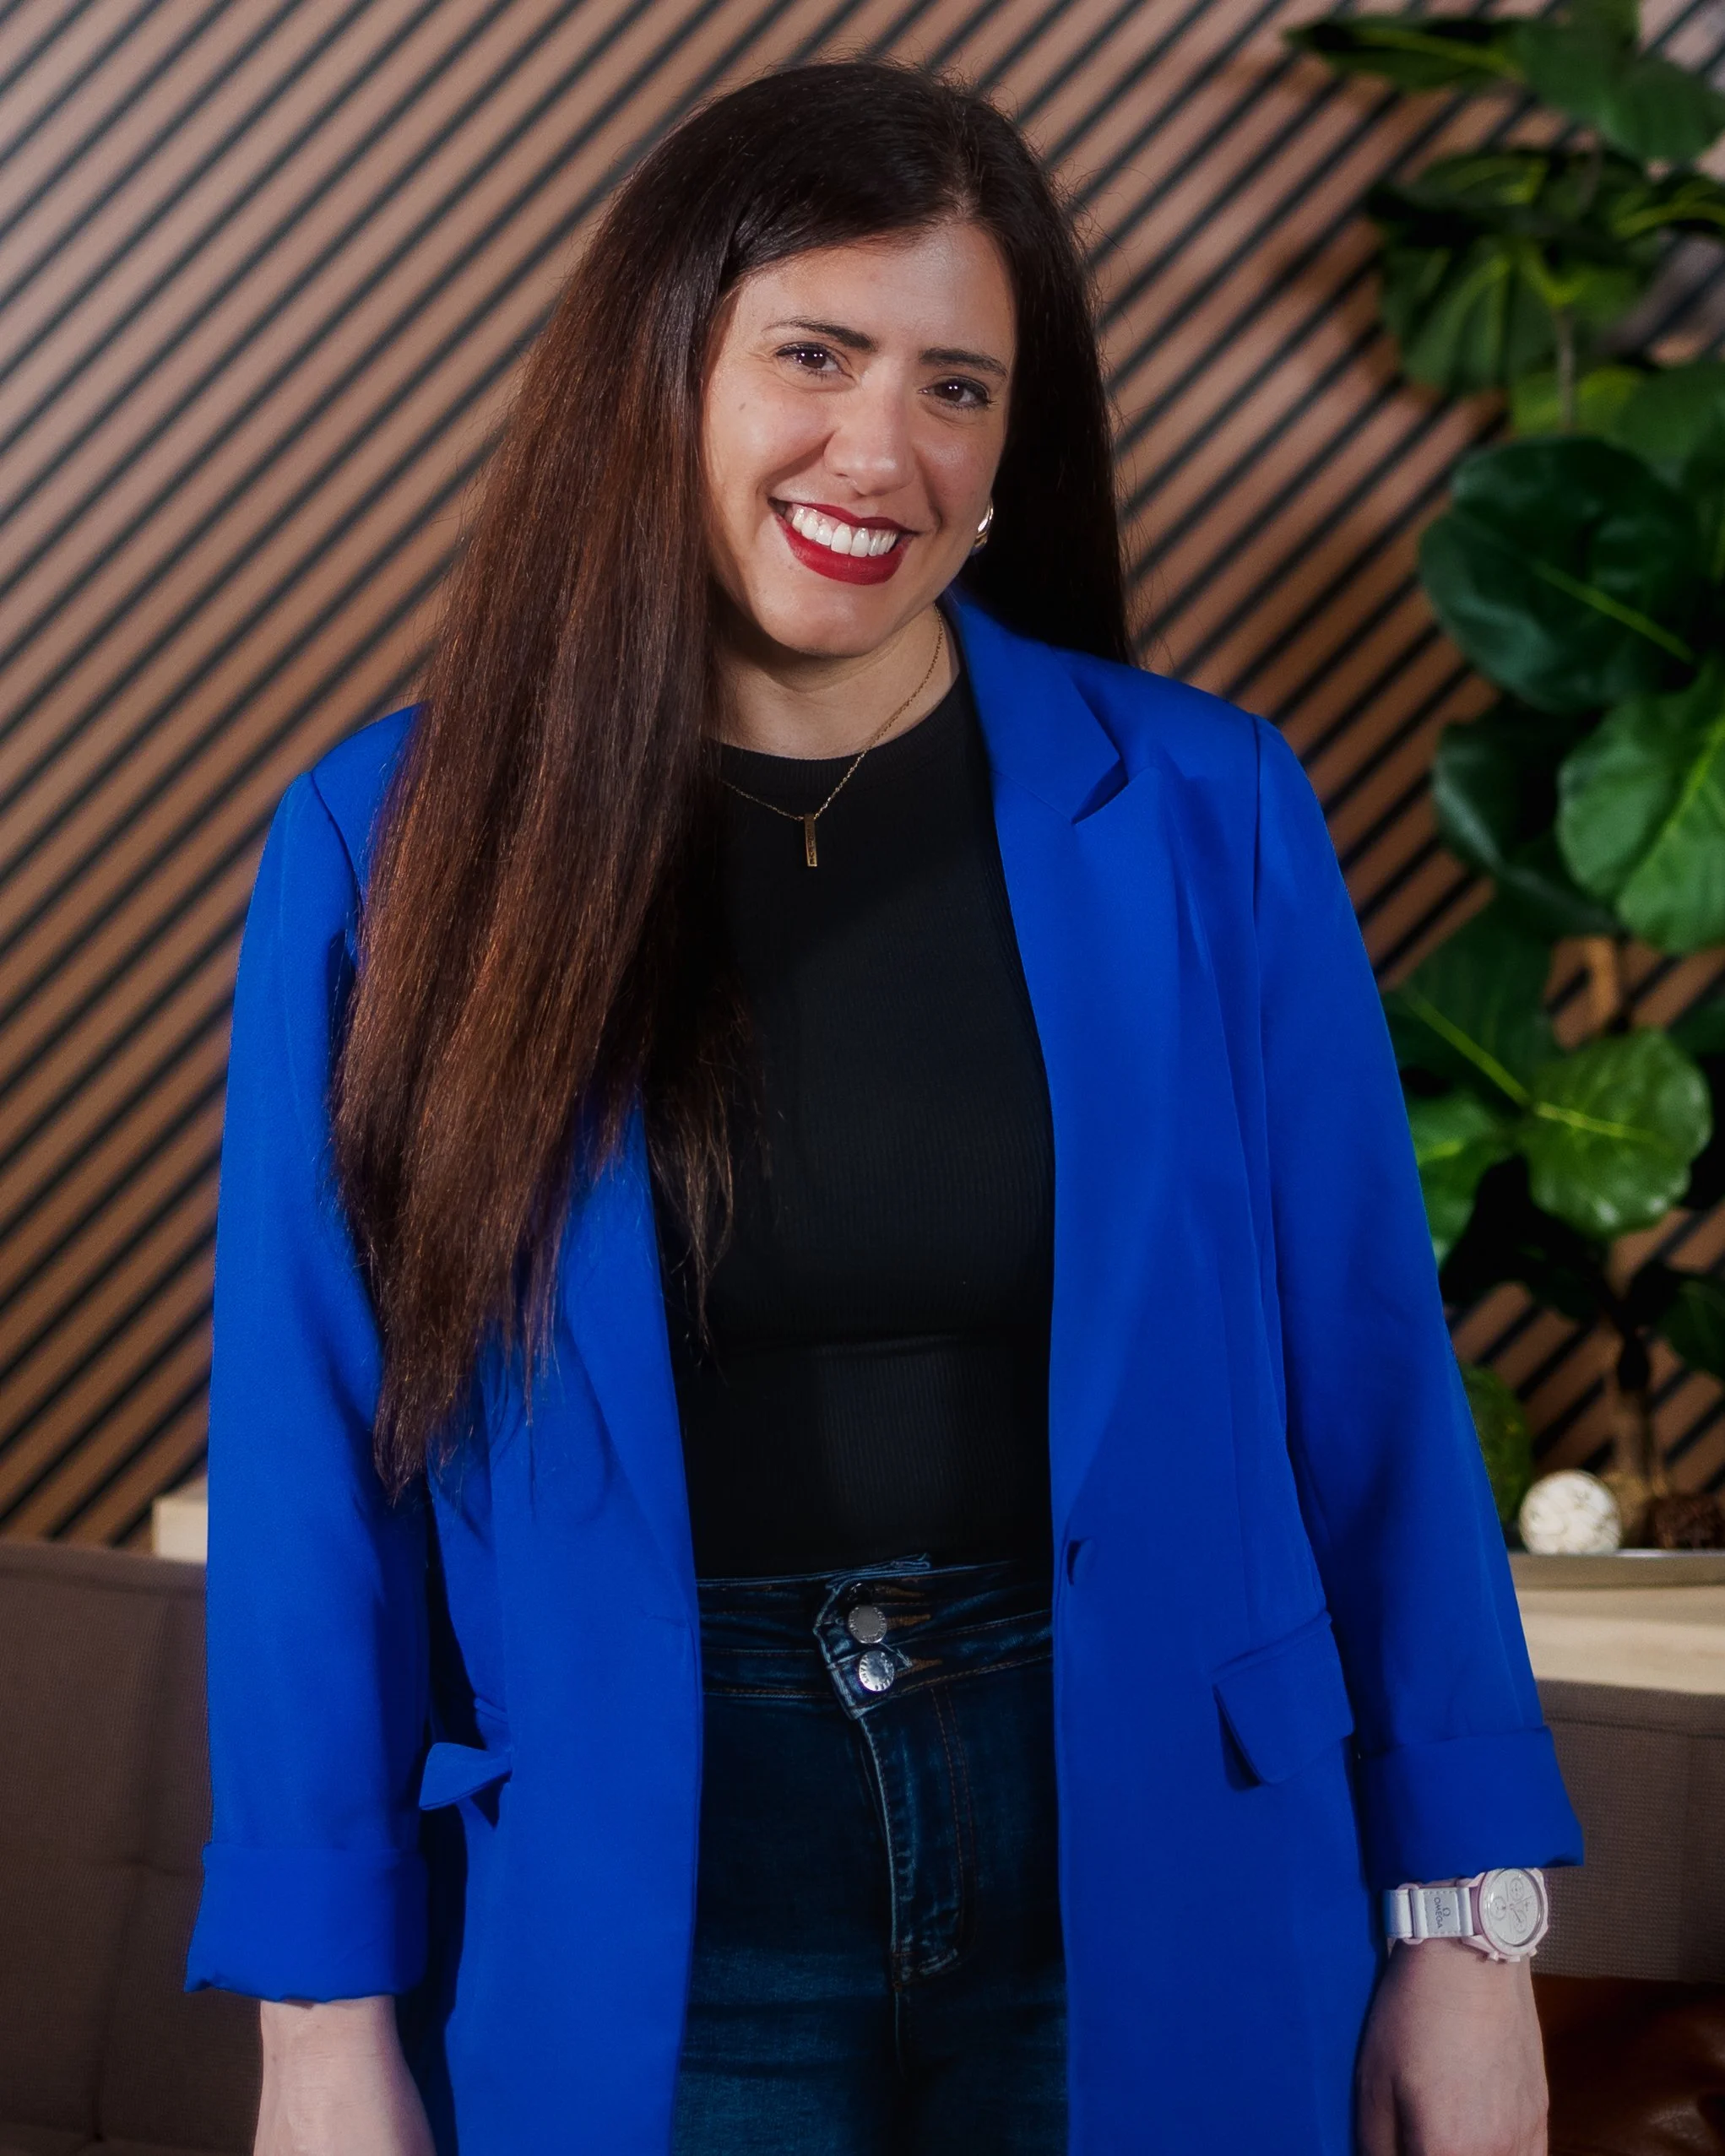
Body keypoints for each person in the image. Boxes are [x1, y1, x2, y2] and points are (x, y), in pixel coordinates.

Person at [186, 57, 1582, 2156]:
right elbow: (311, 1468)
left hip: (1156, 1843)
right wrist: (321, 2027)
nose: (881, 446)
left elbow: (1373, 1386)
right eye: (815, 355)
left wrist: (1467, 1939)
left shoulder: (1209, 808)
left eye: (956, 385)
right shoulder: (392, 844)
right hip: (657, 1875)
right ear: (662, 374)